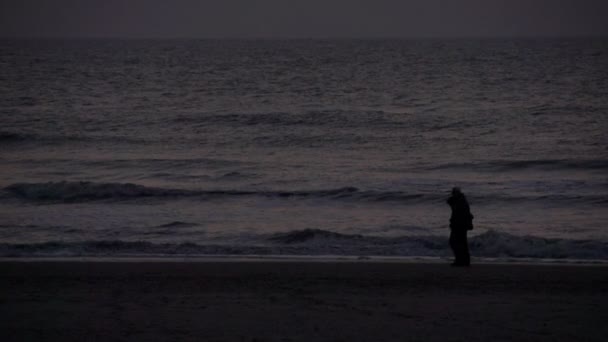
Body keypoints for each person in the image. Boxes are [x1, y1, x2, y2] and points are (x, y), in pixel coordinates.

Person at [447, 187, 473, 266]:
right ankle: (463, 261)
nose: (452, 194)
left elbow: (462, 214)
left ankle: (461, 260)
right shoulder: (460, 201)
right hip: (459, 225)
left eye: (453, 193)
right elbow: (449, 202)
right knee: (460, 243)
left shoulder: (461, 202)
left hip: (459, 225)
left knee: (455, 242)